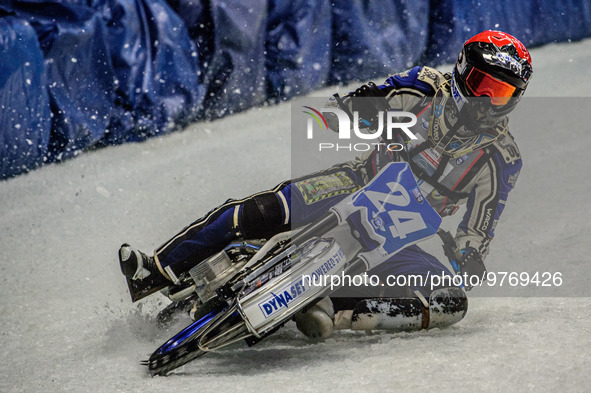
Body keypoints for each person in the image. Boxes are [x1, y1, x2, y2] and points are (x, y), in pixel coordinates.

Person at [119, 30, 532, 338]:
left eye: (501, 93)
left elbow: (480, 225)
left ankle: (331, 306)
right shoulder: (424, 85)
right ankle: (157, 269)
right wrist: (359, 107)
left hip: (401, 235)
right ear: (462, 71)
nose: (487, 100)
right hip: (356, 181)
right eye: (484, 85)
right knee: (268, 208)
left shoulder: (501, 157)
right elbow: (371, 99)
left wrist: (469, 255)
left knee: (451, 300)